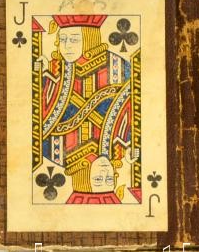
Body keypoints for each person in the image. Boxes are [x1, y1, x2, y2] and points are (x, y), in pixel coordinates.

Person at [33, 14, 140, 203]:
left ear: (89, 38)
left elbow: (134, 105)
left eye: (74, 39)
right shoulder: (53, 73)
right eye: (63, 39)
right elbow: (39, 123)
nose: (67, 46)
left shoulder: (119, 68)